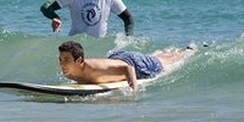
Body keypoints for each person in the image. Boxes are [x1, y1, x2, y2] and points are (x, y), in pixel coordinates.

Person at [57, 40, 193, 92]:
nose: (62, 64)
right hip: (116, 59)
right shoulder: (70, 72)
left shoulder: (94, 68)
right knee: (158, 57)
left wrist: (134, 91)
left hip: (135, 64)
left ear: (79, 60)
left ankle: (189, 51)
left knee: (164, 63)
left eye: (66, 60)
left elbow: (128, 68)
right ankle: (168, 53)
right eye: (61, 60)